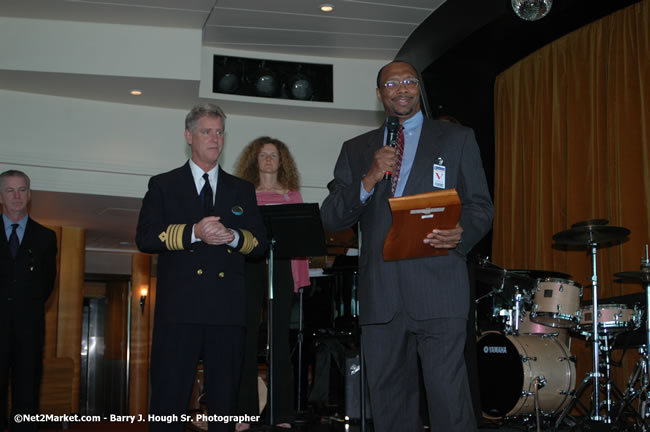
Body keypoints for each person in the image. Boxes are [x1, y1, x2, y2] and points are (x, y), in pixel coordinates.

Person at [320, 61, 494, 432]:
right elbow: (331, 218)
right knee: (389, 402)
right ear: (380, 94)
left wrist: (462, 231)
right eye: (391, 83)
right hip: (381, 292)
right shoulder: (356, 149)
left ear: (418, 88)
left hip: (439, 284)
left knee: (449, 398)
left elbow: (481, 206)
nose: (402, 88)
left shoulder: (457, 138)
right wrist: (368, 178)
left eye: (409, 81)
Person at [135, 103, 267, 432]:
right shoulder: (164, 185)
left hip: (226, 314)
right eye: (206, 131)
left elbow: (261, 244)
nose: (215, 138)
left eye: (219, 132)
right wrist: (194, 232)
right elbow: (146, 237)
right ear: (188, 136)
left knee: (224, 405)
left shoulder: (242, 189)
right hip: (179, 312)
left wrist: (232, 236)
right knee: (169, 403)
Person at [233, 137, 310, 430]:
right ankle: (244, 414)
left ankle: (282, 415)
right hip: (251, 265)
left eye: (273, 155)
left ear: (282, 161)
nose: (268, 159)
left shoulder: (293, 196)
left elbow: (300, 241)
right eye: (263, 155)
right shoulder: (243, 195)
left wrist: (299, 278)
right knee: (247, 339)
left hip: (281, 265)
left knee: (279, 341)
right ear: (255, 160)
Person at [0, 170, 58, 432]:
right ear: (1, 196)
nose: (16, 196)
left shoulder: (46, 237)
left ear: (30, 194)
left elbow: (46, 284)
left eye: (22, 189)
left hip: (29, 329)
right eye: (10, 190)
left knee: (27, 393)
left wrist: (23, 308)